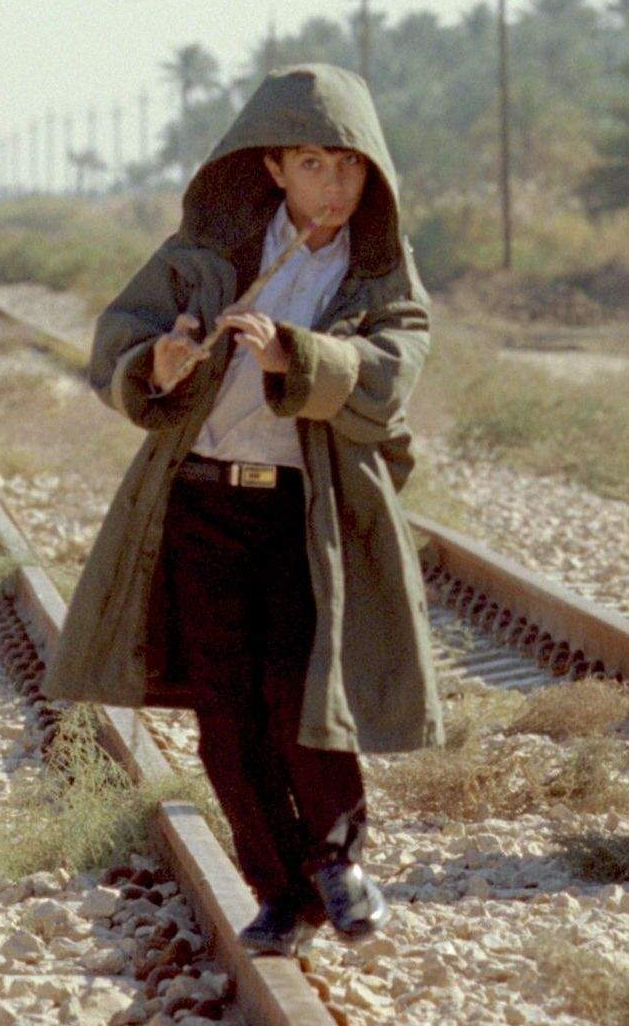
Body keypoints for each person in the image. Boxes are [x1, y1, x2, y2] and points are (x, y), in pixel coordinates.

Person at [46, 62, 441, 956]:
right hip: (201, 506)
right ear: (274, 169)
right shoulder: (210, 250)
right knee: (226, 712)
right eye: (313, 164)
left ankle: (338, 863)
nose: (334, 186)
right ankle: (279, 893)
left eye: (350, 168)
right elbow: (121, 336)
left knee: (299, 691)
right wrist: (162, 361)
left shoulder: (379, 274)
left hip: (306, 512)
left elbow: (390, 376)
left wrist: (296, 357)